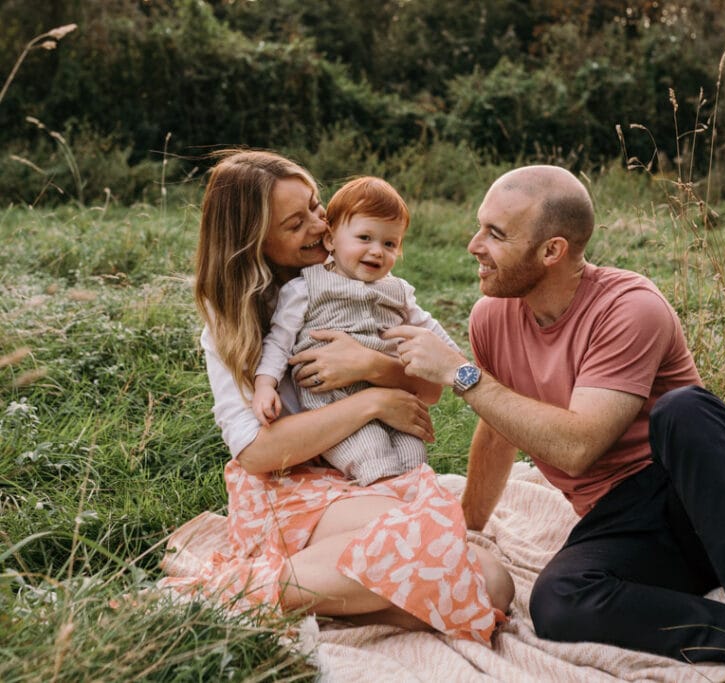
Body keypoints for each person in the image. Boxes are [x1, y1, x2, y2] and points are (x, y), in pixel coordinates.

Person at [383, 165, 725, 681]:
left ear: (552, 250)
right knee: (557, 602)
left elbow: (577, 446)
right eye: (480, 227)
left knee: (685, 408)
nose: (474, 245)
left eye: (495, 233)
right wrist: (468, 527)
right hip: (624, 523)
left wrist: (461, 375)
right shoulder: (492, 317)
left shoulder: (629, 306)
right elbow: (500, 423)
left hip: (709, 497)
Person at [159, 150, 513, 644]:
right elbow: (258, 452)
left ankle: (314, 599)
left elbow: (430, 388)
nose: (318, 223)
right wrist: (372, 402)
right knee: (469, 575)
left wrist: (369, 366)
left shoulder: (361, 282)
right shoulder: (233, 325)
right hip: (290, 490)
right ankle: (231, 589)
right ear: (253, 240)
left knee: (495, 585)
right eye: (294, 222)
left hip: (360, 480)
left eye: (316, 206)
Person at [252, 176, 454, 485]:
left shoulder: (398, 290)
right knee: (372, 454)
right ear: (331, 240)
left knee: (414, 454)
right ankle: (388, 509)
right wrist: (265, 384)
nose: (377, 251)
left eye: (390, 244)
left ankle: (415, 508)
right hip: (334, 400)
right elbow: (279, 341)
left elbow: (429, 327)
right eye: (364, 238)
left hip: (392, 394)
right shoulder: (306, 286)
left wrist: (460, 362)